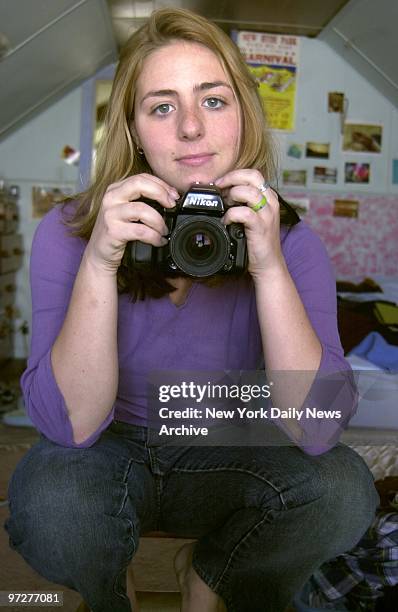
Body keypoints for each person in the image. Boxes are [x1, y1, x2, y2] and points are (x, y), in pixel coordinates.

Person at [5, 8, 379, 612]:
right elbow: (70, 427)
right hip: (106, 439)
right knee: (51, 501)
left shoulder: (290, 241)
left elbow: (316, 429)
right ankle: (108, 589)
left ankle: (211, 571)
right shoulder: (73, 230)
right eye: (161, 106)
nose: (189, 130)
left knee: (342, 491)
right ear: (132, 129)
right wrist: (101, 259)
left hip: (222, 422)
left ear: (243, 116)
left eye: (212, 100)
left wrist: (268, 265)